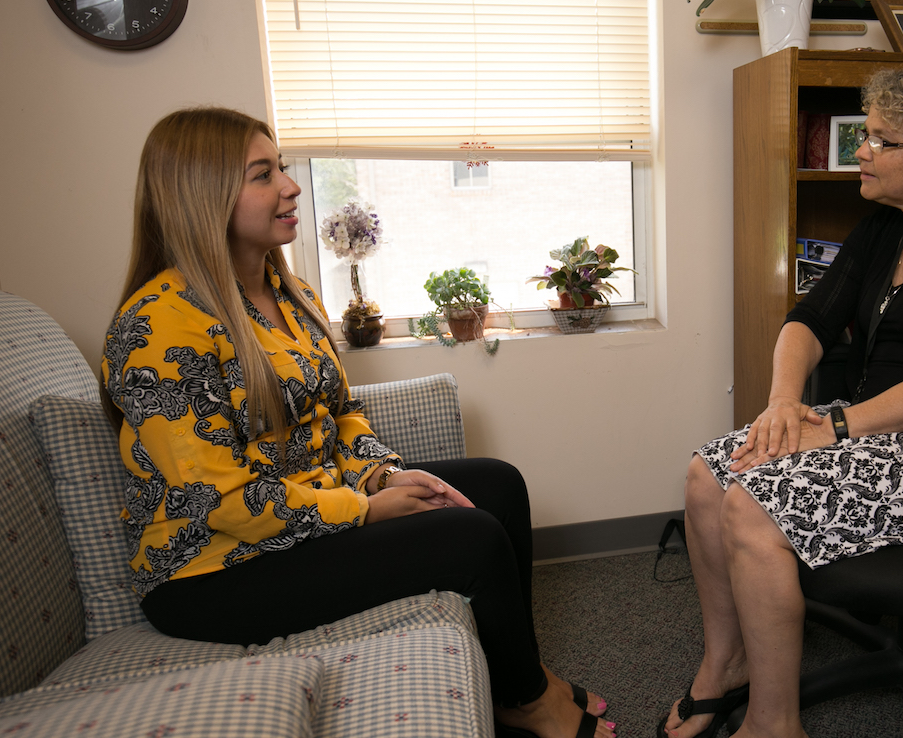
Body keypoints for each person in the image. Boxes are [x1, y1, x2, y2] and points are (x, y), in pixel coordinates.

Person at [101, 107, 614, 738]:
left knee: (499, 485)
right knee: (470, 539)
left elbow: (341, 415)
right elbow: (220, 496)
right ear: (202, 198)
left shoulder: (292, 295)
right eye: (263, 175)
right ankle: (532, 704)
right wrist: (364, 511)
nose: (291, 187)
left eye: (282, 167)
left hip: (308, 514)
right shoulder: (155, 328)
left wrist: (380, 477)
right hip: (217, 571)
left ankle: (517, 679)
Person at [657, 55, 903, 738]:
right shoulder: (884, 228)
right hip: (879, 436)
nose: (859, 153)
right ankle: (726, 663)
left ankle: (774, 724)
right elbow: (810, 319)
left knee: (751, 505)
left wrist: (833, 427)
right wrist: (784, 404)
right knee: (706, 475)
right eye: (863, 136)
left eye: (878, 140)